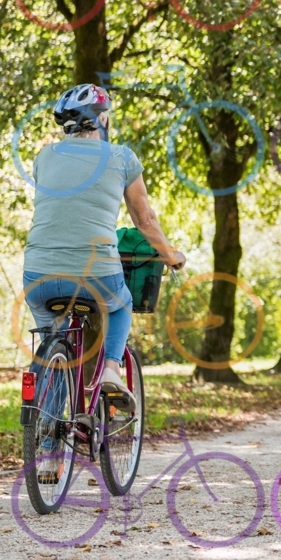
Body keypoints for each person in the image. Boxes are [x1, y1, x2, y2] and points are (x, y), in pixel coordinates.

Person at [23, 83, 186, 420]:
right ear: (103, 119)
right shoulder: (122, 157)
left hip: (37, 275)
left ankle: (50, 454)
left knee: (50, 347)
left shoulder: (44, 157)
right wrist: (171, 255)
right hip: (95, 274)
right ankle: (111, 368)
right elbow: (144, 219)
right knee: (122, 303)